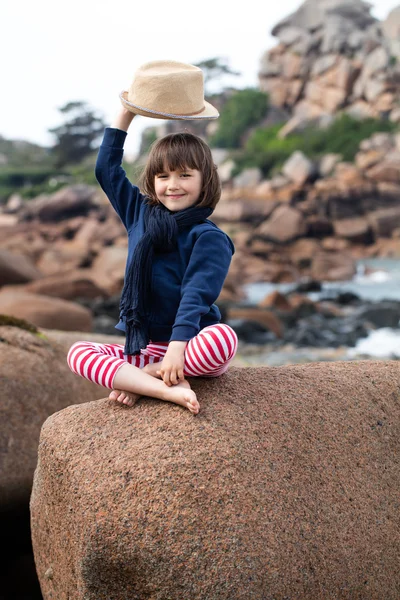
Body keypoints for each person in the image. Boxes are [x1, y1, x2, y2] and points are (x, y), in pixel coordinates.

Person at [67, 60, 238, 415]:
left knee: (224, 339)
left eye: (184, 175)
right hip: (143, 347)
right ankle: (162, 387)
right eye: (163, 177)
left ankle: (142, 380)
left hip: (190, 346)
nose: (172, 185)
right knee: (77, 352)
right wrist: (128, 113)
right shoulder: (140, 214)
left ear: (205, 180)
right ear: (152, 182)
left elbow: (196, 294)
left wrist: (177, 348)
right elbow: (106, 170)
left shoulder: (209, 237)